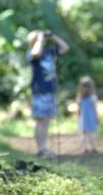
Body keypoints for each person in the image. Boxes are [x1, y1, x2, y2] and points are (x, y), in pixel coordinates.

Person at [27, 30, 69, 158]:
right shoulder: (32, 53)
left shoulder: (49, 51)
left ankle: (44, 148)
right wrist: (39, 38)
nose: (43, 40)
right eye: (40, 39)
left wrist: (53, 36)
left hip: (50, 90)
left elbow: (65, 47)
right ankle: (41, 149)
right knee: (41, 121)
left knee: (46, 121)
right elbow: (35, 52)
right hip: (40, 91)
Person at [76, 76, 99, 154]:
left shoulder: (79, 97)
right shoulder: (93, 97)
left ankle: (85, 148)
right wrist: (97, 117)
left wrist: (78, 117)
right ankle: (93, 147)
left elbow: (78, 109)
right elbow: (95, 109)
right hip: (91, 118)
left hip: (83, 118)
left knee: (84, 133)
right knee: (92, 132)